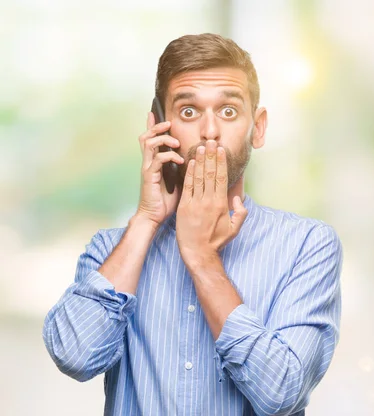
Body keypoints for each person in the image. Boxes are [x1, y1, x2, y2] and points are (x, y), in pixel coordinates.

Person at [43, 33, 343, 416]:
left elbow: (280, 393)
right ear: (158, 127)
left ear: (259, 127)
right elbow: (75, 356)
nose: (210, 131)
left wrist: (202, 257)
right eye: (188, 112)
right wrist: (147, 220)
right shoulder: (112, 251)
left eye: (229, 111)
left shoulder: (308, 246)